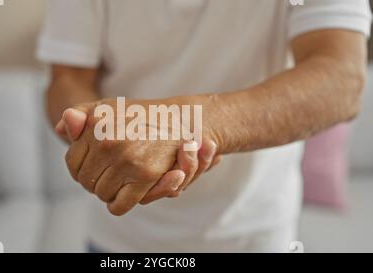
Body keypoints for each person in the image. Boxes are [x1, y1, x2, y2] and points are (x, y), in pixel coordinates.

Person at [37, 0, 372, 252]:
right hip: (120, 240)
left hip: (257, 236)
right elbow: (67, 79)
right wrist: (97, 131)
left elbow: (340, 78)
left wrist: (188, 124)